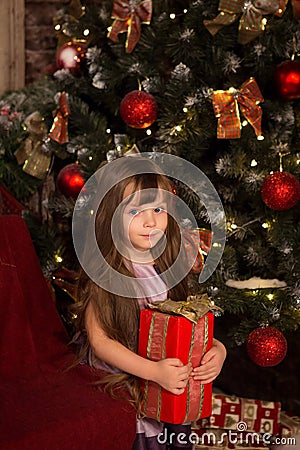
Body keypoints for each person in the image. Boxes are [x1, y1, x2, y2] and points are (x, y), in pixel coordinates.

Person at [72, 155, 227, 449]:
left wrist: (217, 350)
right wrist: (153, 372)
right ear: (111, 215)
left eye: (158, 208)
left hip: (165, 383)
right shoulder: (105, 275)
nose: (151, 221)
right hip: (125, 387)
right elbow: (100, 341)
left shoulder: (167, 269)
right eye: (135, 211)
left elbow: (183, 325)